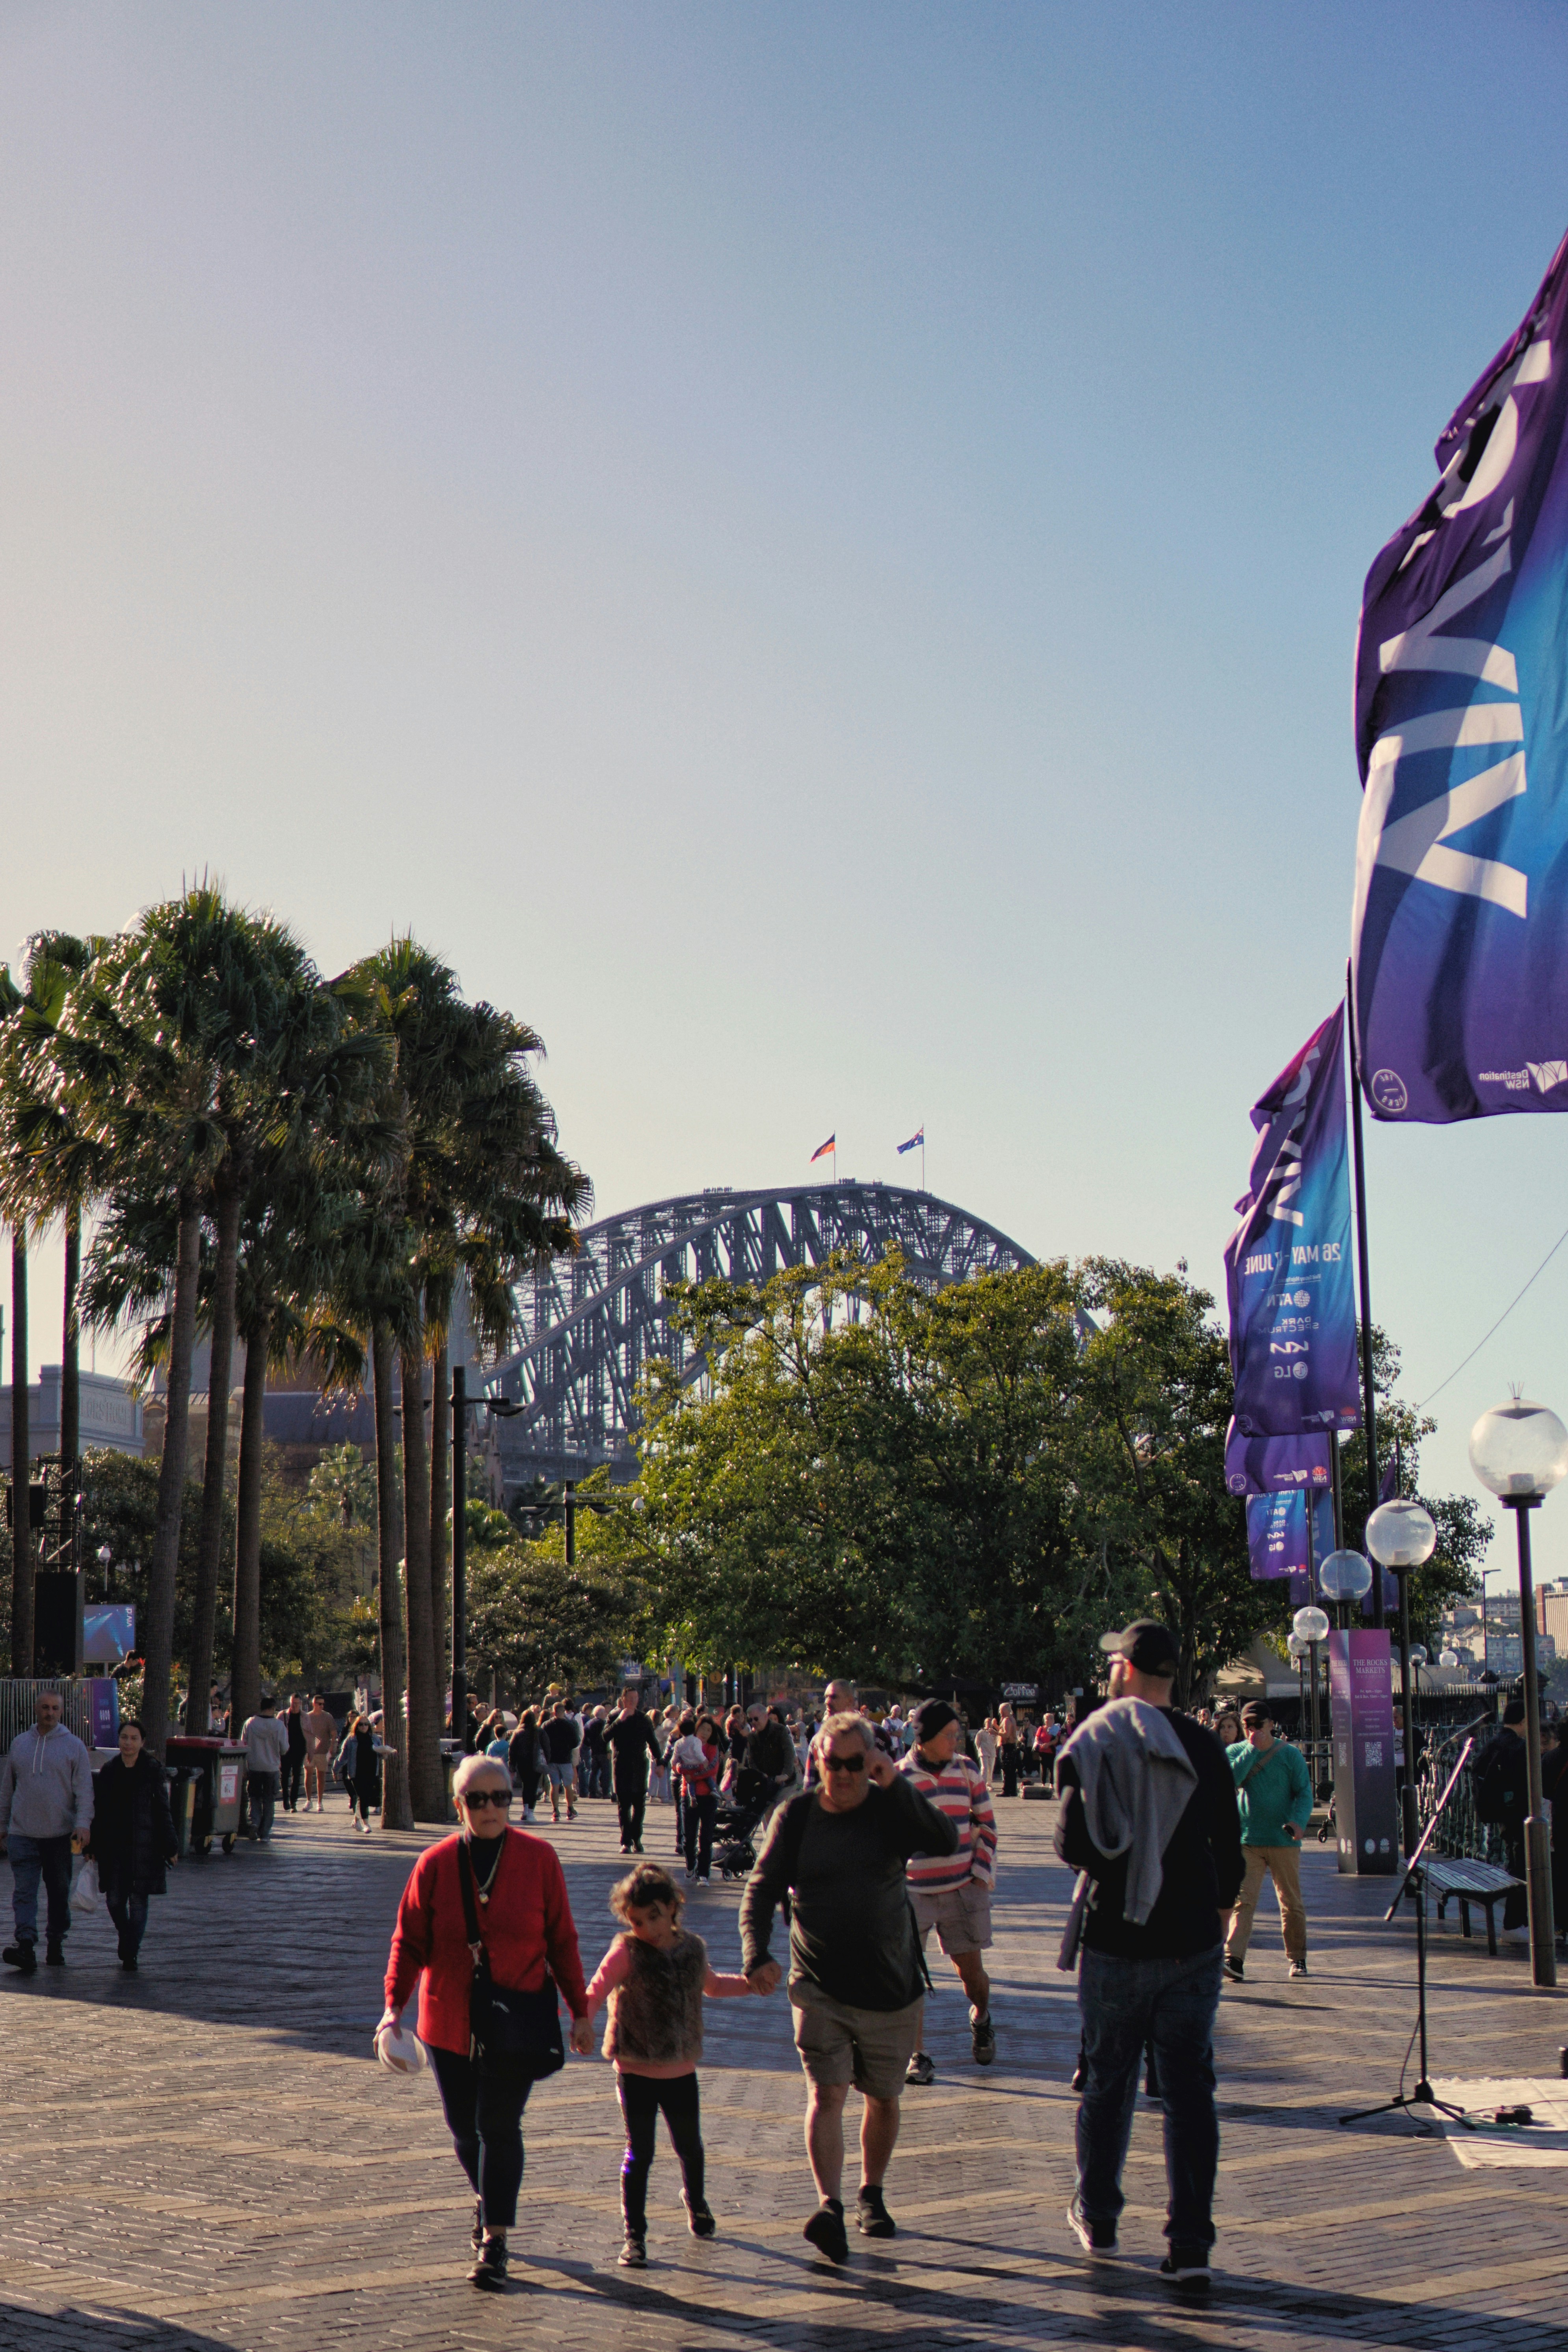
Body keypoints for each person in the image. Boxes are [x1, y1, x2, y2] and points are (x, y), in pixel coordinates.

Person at [1055, 1620, 1243, 2290]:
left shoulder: (1096, 1739)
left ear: (1127, 1669)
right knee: (1190, 2092)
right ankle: (1189, 2240)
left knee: (1107, 2082)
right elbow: (1229, 1843)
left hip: (1115, 1940)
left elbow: (1073, 1843)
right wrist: (1216, 1916)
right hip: (1191, 1940)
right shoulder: (1201, 1745)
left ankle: (1098, 2214)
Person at [739, 1711, 958, 2264]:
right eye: (831, 1763)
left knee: (883, 2096)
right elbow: (761, 1888)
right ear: (815, 1762)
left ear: (872, 1761)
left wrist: (895, 1784)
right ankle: (829, 2206)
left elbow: (943, 1837)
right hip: (818, 1985)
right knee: (827, 2092)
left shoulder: (888, 1807)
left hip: (890, 1985)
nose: (841, 1774)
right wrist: (756, 1953)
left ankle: (871, 2193)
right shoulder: (797, 1815)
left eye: (854, 1763)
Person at [380, 1753, 591, 2291]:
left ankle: (494, 2237)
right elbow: (408, 1941)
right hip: (448, 2017)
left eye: (501, 1797)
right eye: (478, 1799)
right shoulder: (434, 1863)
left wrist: (581, 2010)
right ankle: (486, 2196)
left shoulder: (539, 1858)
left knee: (498, 2126)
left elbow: (562, 1939)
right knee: (463, 2130)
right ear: (459, 1805)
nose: (492, 1807)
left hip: (515, 2016)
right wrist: (391, 2010)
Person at [583, 1861, 754, 2266]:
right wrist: (581, 2019)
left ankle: (695, 2200)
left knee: (689, 2146)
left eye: (654, 1916)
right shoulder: (627, 1950)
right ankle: (635, 2235)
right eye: (638, 1920)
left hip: (680, 2068)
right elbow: (597, 1987)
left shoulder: (692, 1948)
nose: (648, 1928)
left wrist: (751, 1984)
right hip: (634, 2068)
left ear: (674, 1906)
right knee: (639, 2151)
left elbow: (712, 1985)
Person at [899, 1698, 999, 2086]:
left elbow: (987, 1825)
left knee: (972, 1976)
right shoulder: (900, 1776)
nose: (957, 1740)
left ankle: (982, 2016)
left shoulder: (967, 1770)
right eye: (950, 1734)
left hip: (962, 1890)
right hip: (914, 1893)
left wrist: (979, 1871)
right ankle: (918, 2054)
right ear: (925, 1738)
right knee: (909, 1974)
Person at [0, 1689, 94, 1971]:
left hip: (60, 1835)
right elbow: (7, 1788)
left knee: (58, 1890)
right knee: (24, 1892)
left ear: (61, 1712)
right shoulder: (20, 1744)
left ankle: (56, 1941)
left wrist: (83, 1824)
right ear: (36, 1709)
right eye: (44, 1707)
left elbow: (85, 1791)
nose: (49, 1712)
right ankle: (26, 1944)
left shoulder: (74, 1746)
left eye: (55, 1708)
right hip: (23, 1833)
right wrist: (3, 1824)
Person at [1222, 1702, 1313, 1982]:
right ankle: (1234, 1957)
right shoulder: (1236, 1752)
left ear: (1271, 1724)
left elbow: (1304, 1793)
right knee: (1243, 1900)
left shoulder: (1290, 1755)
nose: (1253, 1730)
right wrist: (1251, 1749)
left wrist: (1298, 1821)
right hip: (1248, 1838)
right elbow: (1229, 1782)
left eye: (1258, 1724)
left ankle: (1297, 1957)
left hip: (1282, 1840)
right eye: (1247, 1725)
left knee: (1290, 1903)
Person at [87, 1717, 179, 1971]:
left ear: (143, 1742)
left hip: (144, 1847)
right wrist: (91, 1846)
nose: (128, 1743)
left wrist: (170, 1846)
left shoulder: (152, 1770)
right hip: (114, 1848)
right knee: (115, 1901)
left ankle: (131, 1951)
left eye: (134, 1739)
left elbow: (163, 1810)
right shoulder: (109, 1770)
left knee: (138, 1902)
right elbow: (99, 1811)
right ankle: (127, 1937)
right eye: (124, 1738)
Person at [1475, 1698, 1531, 1937]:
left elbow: (1477, 1768)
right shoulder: (1519, 1747)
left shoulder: (1494, 1742)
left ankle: (1516, 1918)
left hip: (1498, 1813)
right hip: (1518, 1813)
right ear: (1525, 1720)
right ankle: (1515, 1920)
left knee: (1513, 1860)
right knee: (1522, 1865)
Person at [606, 1686, 662, 1854]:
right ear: (623, 1699)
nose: (632, 1701)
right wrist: (619, 1721)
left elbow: (653, 1742)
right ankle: (626, 1842)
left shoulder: (644, 1719)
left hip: (639, 1767)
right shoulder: (615, 1717)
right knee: (624, 1806)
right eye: (629, 1698)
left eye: (635, 1698)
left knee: (639, 1806)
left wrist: (660, 1762)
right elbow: (605, 1736)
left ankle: (637, 1837)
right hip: (621, 1766)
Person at [672, 1713, 722, 1883]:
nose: (706, 1733)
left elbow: (712, 1769)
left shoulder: (712, 1748)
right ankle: (691, 1865)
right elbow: (676, 1765)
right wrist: (684, 1772)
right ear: (696, 1728)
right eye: (703, 1729)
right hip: (689, 1797)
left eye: (709, 1730)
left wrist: (691, 1774)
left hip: (708, 1797)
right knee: (689, 1838)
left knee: (706, 1838)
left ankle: (703, 1873)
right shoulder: (685, 1744)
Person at [241, 1704, 289, 1842]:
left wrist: (245, 1768)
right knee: (269, 1800)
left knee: (254, 1797)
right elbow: (285, 1749)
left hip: (254, 1767)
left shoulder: (250, 1723)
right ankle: (265, 1833)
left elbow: (243, 1745)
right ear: (273, 1709)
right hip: (272, 1768)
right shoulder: (279, 1726)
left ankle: (254, 1822)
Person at [339, 1713, 381, 1832]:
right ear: (357, 1726)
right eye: (361, 1725)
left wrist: (385, 1753)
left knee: (365, 1798)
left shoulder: (374, 1738)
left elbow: (380, 1753)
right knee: (363, 1797)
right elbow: (343, 1757)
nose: (364, 1727)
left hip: (372, 1772)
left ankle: (356, 1821)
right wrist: (336, 1769)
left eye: (366, 1725)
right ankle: (366, 1824)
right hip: (356, 1773)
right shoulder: (351, 1739)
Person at [540, 1702, 580, 1824]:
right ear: (564, 1712)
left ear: (554, 1712)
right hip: (565, 1759)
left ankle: (555, 1811)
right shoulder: (570, 1725)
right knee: (568, 1785)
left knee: (554, 1785)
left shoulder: (547, 1725)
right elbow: (576, 1742)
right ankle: (570, 1809)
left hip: (552, 1759)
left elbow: (542, 1740)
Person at [302, 1696, 337, 1813]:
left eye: (323, 1704)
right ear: (314, 1704)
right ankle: (308, 1800)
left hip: (323, 1751)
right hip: (309, 1751)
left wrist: (332, 1747)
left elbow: (334, 1734)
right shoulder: (307, 1717)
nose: (322, 1706)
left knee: (321, 1776)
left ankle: (320, 1802)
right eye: (319, 1704)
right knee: (308, 1774)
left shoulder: (328, 1717)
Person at [509, 1709, 543, 1823]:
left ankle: (526, 1810)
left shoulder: (518, 1733)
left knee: (526, 1787)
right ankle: (531, 1812)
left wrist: (512, 1764)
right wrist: (547, 1759)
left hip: (523, 1764)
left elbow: (512, 1750)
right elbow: (547, 1747)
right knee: (533, 1787)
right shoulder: (539, 1732)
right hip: (536, 1763)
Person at [279, 1695, 307, 1814]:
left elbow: (310, 1735)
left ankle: (293, 1802)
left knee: (297, 1776)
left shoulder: (305, 1717)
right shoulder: (283, 1715)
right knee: (285, 1776)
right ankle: (285, 1797)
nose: (294, 1705)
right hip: (286, 1750)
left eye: (297, 1703)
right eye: (292, 1703)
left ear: (300, 1703)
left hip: (299, 1750)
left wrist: (310, 1751)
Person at [582, 1705, 610, 1800]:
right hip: (604, 1752)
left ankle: (592, 1792)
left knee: (593, 1773)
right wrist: (609, 1750)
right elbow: (607, 1738)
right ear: (601, 1714)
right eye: (604, 1713)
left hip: (593, 1751)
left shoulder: (588, 1724)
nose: (606, 1714)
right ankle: (606, 1793)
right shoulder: (604, 1724)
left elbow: (585, 1739)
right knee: (606, 1772)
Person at [998, 1704, 1023, 1798]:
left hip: (1008, 1747)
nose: (1000, 1712)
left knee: (1007, 1770)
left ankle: (1006, 1790)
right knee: (1012, 1770)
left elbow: (1007, 1735)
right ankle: (1013, 1790)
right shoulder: (1012, 1719)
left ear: (1004, 1710)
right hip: (1012, 1746)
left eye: (1001, 1710)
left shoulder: (1007, 1720)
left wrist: (995, 1732)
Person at [977, 1716, 999, 1788]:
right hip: (984, 1753)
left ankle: (989, 1784)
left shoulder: (994, 1733)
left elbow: (997, 1742)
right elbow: (977, 1742)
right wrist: (980, 1750)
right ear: (985, 1723)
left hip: (992, 1753)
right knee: (985, 1768)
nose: (989, 1724)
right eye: (988, 1722)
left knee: (991, 1768)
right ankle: (982, 1784)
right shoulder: (981, 1732)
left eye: (991, 1722)